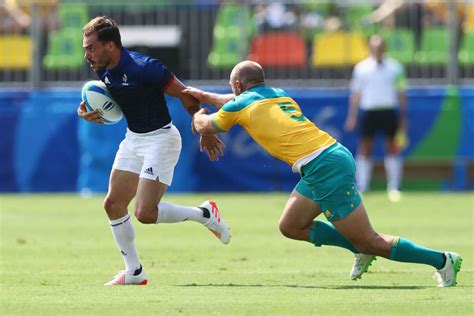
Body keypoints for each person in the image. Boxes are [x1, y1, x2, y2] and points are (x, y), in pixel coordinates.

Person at [183, 60, 462, 287]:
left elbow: (206, 125)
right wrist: (208, 97)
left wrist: (196, 109)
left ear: (238, 85)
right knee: (291, 226)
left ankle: (442, 260)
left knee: (371, 240)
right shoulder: (276, 93)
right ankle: (358, 248)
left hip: (324, 166)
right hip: (326, 159)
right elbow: (234, 101)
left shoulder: (241, 103)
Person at [77, 16, 230, 286]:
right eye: (85, 48)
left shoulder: (145, 67)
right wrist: (88, 111)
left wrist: (204, 127)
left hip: (161, 139)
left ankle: (205, 214)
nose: (86, 54)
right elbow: (117, 101)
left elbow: (185, 94)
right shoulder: (102, 68)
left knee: (145, 213)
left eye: (90, 47)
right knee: (113, 205)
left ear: (110, 46)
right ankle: (134, 271)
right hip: (133, 139)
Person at [345, 35, 407, 202]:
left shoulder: (396, 68)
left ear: (384, 48)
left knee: (392, 147)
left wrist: (403, 117)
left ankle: (394, 186)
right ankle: (363, 186)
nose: (377, 50)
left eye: (380, 47)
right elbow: (356, 94)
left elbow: (401, 94)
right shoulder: (361, 68)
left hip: (388, 111)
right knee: (365, 148)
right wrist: (352, 116)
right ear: (370, 48)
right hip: (368, 111)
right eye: (374, 47)